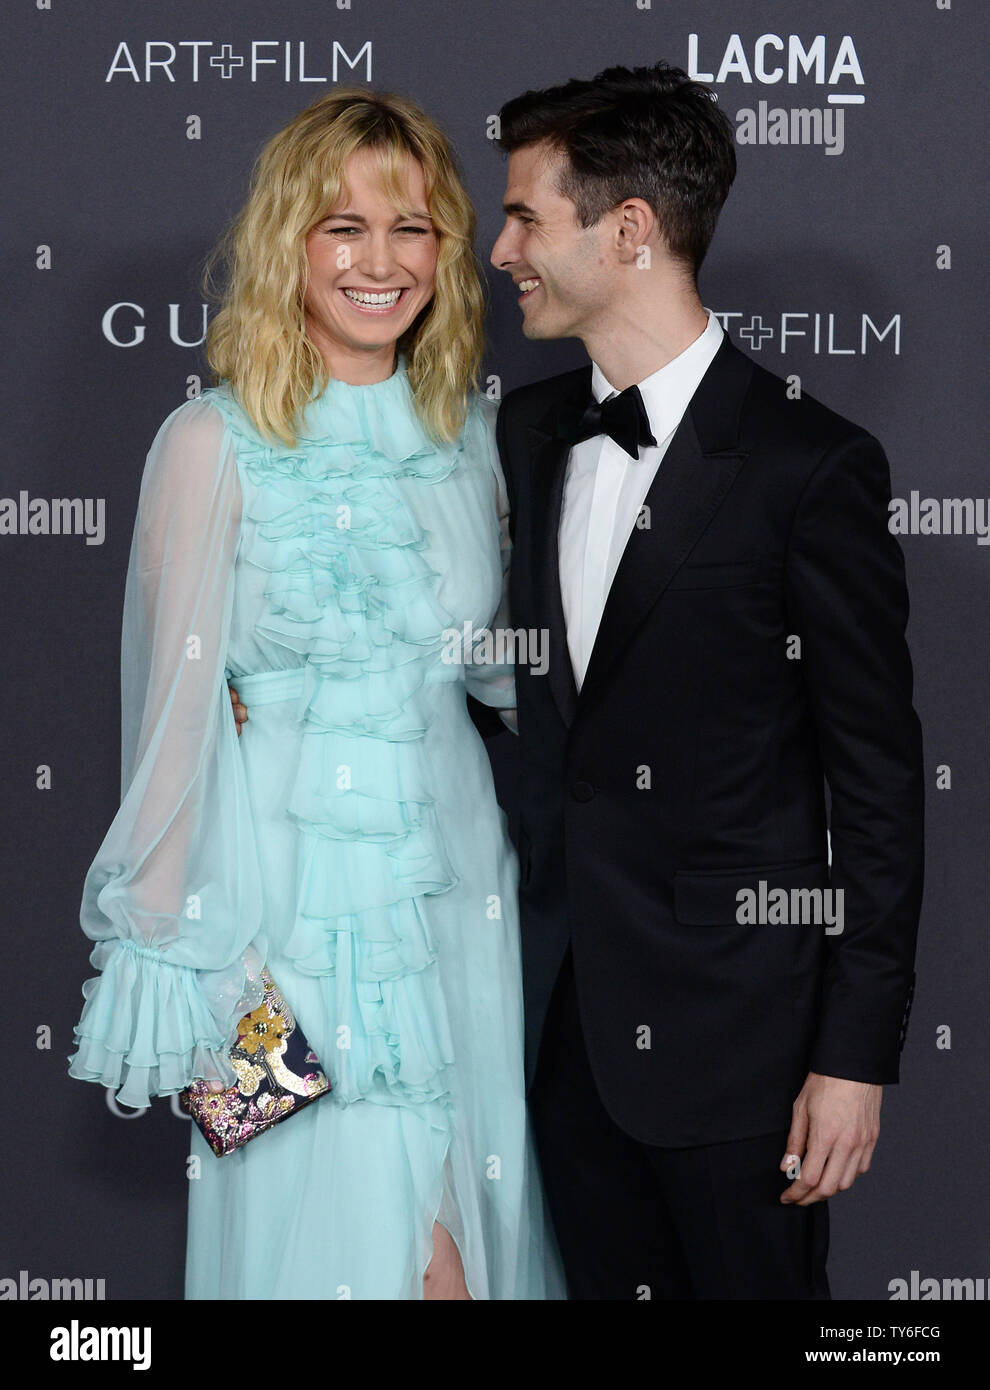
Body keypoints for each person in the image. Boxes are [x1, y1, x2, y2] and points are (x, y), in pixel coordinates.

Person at [67, 87, 565, 1301]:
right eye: (343, 228)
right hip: (276, 929)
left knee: (471, 1245)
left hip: (456, 909)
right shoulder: (210, 443)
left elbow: (505, 676)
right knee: (335, 1255)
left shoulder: (471, 444)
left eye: (412, 229)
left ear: (448, 251)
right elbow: (176, 723)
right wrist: (180, 976)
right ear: (289, 242)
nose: (381, 262)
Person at [484, 62, 925, 1299]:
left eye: (525, 216)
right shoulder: (525, 433)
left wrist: (855, 1056)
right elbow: (527, 713)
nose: (499, 247)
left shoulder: (809, 461)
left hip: (746, 1055)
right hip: (560, 1034)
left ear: (627, 230)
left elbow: (880, 786)